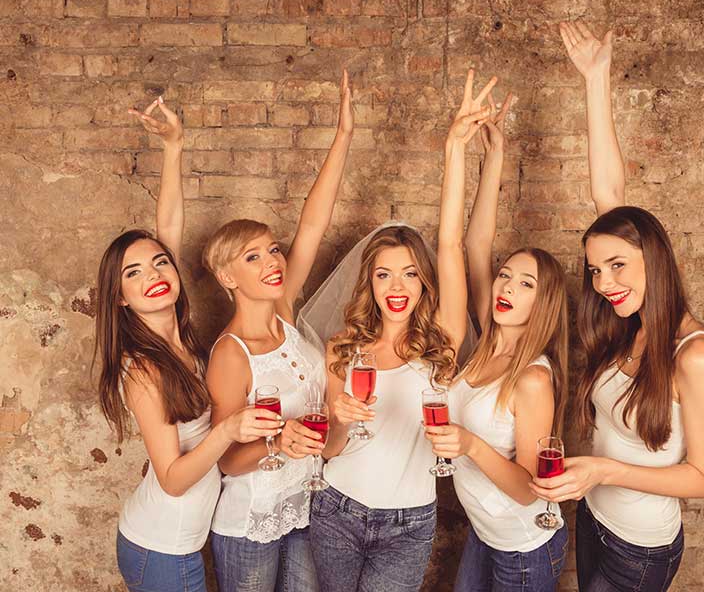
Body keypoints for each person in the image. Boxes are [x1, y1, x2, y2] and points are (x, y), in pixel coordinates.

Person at [531, 21, 704, 592]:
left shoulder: (696, 355)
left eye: (619, 265)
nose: (604, 282)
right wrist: (596, 81)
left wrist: (603, 470)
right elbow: (609, 199)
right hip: (595, 521)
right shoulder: (629, 327)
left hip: (641, 551)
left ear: (654, 258)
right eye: (596, 270)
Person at [295, 70, 496, 591]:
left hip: (409, 522)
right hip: (336, 508)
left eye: (409, 272)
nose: (397, 284)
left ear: (423, 281)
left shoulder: (440, 344)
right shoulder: (344, 349)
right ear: (371, 283)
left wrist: (454, 148)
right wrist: (337, 419)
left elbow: (451, 243)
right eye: (384, 273)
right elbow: (331, 450)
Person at [97, 97, 278, 592]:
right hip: (160, 548)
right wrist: (230, 430)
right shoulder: (141, 370)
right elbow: (174, 478)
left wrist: (174, 147)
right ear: (120, 298)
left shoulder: (186, 345)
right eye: (133, 274)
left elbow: (168, 227)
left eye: (160, 264)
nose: (153, 275)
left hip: (176, 544)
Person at [202, 71, 354, 592]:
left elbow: (313, 225)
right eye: (253, 256)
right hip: (250, 520)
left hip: (306, 507)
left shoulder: (286, 308)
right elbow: (225, 457)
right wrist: (277, 444)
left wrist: (343, 139)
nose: (272, 260)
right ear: (226, 277)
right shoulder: (230, 354)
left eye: (271, 249)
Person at [423, 78, 570, 591]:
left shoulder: (532, 378)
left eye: (524, 283)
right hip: (488, 533)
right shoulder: (487, 336)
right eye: (505, 274)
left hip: (525, 545)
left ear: (543, 302)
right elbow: (474, 241)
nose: (506, 285)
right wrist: (495, 156)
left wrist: (469, 444)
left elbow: (531, 490)